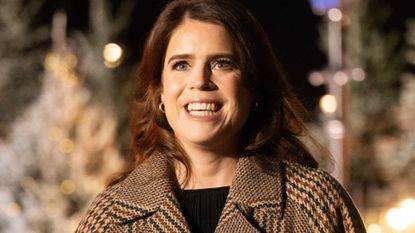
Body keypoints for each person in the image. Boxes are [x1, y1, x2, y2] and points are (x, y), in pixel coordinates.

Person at [76, 0, 366, 232]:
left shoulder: (314, 204)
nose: (200, 81)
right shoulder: (111, 217)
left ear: (253, 87)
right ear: (160, 93)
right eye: (181, 65)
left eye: (222, 63)